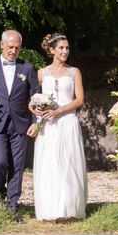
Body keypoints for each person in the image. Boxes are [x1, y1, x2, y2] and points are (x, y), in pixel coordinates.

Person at [0, 30, 39, 220]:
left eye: (17, 48)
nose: (13, 51)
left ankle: (12, 205)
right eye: (10, 47)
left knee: (17, 166)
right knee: (0, 162)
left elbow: (36, 97)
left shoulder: (27, 68)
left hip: (21, 124)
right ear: (1, 45)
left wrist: (36, 122)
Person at [32, 33, 87, 221]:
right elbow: (32, 99)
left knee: (68, 163)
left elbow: (79, 99)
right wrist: (33, 108)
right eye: (61, 48)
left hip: (67, 122)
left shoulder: (74, 72)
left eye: (67, 48)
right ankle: (50, 209)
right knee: (50, 164)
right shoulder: (41, 73)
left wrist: (60, 110)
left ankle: (70, 208)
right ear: (52, 50)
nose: (65, 51)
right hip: (48, 125)